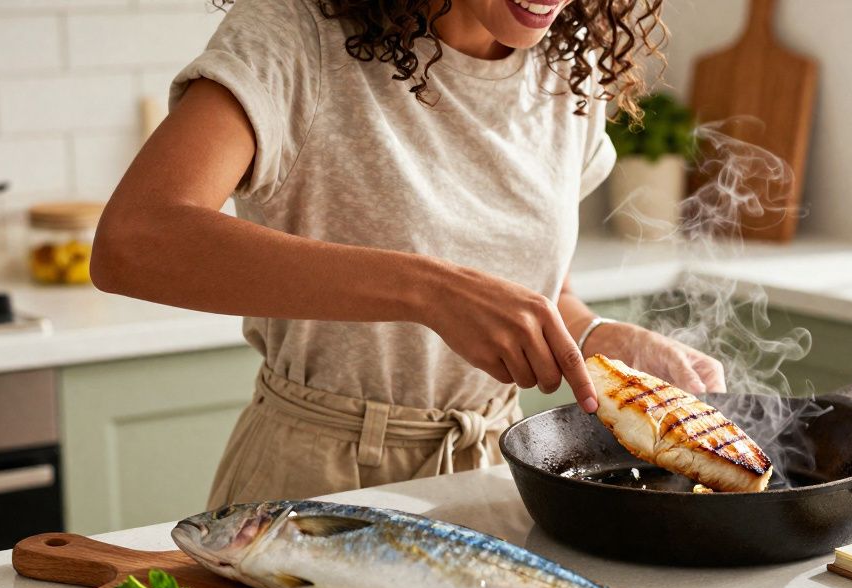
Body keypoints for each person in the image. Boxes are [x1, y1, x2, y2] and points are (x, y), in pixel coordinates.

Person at [91, 0, 725, 508]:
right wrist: (430, 291)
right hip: (313, 488)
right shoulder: (296, 36)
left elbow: (519, 277)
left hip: (489, 484)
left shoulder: (569, 67)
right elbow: (136, 240)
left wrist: (590, 335)